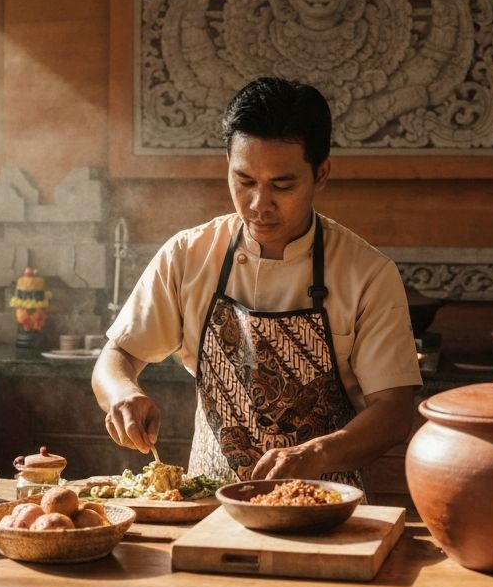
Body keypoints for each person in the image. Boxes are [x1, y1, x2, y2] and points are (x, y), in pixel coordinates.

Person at [92, 76, 421, 485]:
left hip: (324, 503)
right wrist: (123, 394)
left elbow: (393, 410)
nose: (259, 204)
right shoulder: (188, 255)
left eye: (282, 185)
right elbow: (117, 355)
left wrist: (314, 453)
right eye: (244, 181)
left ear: (321, 174)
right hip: (208, 502)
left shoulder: (368, 274)